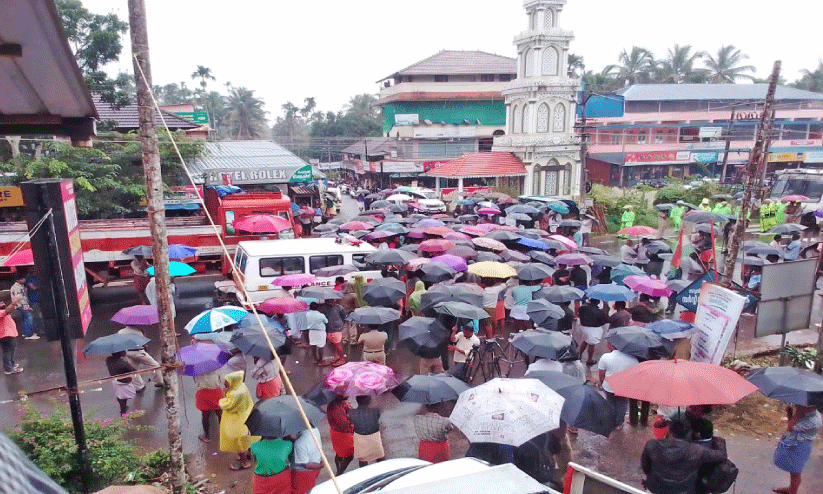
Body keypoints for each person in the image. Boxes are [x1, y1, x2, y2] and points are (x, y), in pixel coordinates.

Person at [641, 419, 727, 494]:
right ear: (688, 434)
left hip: (654, 489)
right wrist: (716, 438)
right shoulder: (696, 450)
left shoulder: (652, 444)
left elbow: (645, 467)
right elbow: (721, 455)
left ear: (669, 431)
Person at [773, 404, 821, 494]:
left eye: (801, 406)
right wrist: (790, 413)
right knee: (793, 470)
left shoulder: (813, 421)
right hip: (796, 442)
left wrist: (796, 414)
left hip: (800, 446)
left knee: (795, 472)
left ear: (811, 407)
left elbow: (790, 427)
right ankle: (791, 488)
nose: (797, 406)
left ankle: (793, 491)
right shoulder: (808, 414)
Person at [219, 370, 259, 471]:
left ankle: (244, 462)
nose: (225, 383)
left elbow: (227, 405)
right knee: (247, 437)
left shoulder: (234, 393)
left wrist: (223, 396)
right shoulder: (242, 386)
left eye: (227, 381)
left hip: (237, 420)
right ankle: (250, 455)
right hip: (246, 415)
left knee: (238, 442)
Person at [598, 342, 639, 430]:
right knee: (622, 404)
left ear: (611, 346)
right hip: (624, 387)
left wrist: (602, 384)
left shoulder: (605, 357)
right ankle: (619, 424)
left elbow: (601, 374)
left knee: (610, 403)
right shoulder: (633, 359)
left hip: (608, 386)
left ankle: (611, 421)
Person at [117, 325, 162, 390]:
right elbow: (143, 343)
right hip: (138, 352)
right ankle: (159, 382)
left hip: (128, 352)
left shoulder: (120, 332)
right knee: (154, 365)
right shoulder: (138, 332)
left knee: (133, 370)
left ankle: (139, 386)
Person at [347, 395, 385, 467]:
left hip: (360, 438)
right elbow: (377, 417)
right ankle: (383, 471)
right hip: (374, 437)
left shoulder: (351, 413)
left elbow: (351, 421)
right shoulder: (375, 411)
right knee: (379, 456)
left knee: (362, 459)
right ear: (368, 401)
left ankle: (364, 472)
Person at [193, 367, 223, 443]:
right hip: (217, 392)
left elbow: (196, 381)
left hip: (203, 392)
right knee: (220, 414)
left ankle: (206, 436)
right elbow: (221, 380)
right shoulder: (217, 367)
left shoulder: (196, 368)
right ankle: (224, 434)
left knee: (205, 415)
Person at [290, 427, 323, 494]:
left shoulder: (299, 444)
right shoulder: (315, 429)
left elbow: (307, 465)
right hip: (316, 464)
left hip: (303, 474)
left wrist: (322, 465)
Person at [326, 396, 355, 475]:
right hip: (343, 435)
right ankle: (339, 473)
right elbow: (344, 425)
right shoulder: (337, 407)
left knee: (339, 453)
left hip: (336, 433)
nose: (348, 395)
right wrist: (354, 426)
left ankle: (339, 471)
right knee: (348, 456)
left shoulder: (335, 404)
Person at [578, 298, 609, 365]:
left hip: (583, 327)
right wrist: (605, 312)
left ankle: (579, 354)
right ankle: (589, 359)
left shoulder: (583, 308)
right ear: (598, 303)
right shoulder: (599, 312)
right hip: (593, 329)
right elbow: (604, 321)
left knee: (585, 341)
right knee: (591, 344)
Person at [106, 351, 137, 417]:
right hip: (123, 382)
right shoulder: (123, 363)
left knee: (119, 395)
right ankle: (123, 412)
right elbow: (133, 370)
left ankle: (123, 409)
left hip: (114, 380)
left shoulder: (108, 359)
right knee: (124, 397)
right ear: (119, 353)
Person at [318, 298, 347, 366]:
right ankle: (336, 356)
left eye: (332, 300)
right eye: (329, 300)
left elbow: (344, 316)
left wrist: (340, 324)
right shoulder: (324, 308)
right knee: (331, 343)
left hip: (337, 329)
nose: (331, 301)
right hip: (328, 328)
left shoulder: (339, 307)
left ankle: (342, 358)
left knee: (338, 344)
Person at [10, 275, 37, 340]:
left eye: (24, 278)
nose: (24, 280)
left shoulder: (20, 286)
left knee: (25, 319)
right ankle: (29, 335)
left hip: (20, 305)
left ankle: (25, 333)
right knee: (29, 317)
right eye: (22, 279)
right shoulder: (17, 287)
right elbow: (20, 298)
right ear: (17, 280)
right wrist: (27, 307)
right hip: (21, 305)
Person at [0, 299, 22, 375]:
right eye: (0, 303)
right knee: (8, 352)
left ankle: (11, 365)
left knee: (9, 351)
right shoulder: (1, 312)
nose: (2, 304)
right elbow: (8, 310)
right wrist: (14, 303)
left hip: (6, 335)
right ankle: (8, 369)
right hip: (7, 335)